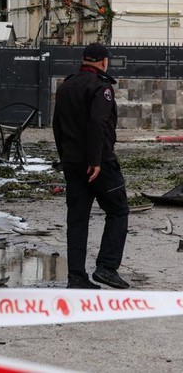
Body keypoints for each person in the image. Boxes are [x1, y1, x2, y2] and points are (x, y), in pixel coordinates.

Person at [52, 42, 130, 290]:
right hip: (100, 163)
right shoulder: (101, 87)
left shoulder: (66, 86)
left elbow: (57, 126)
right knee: (118, 211)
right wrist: (95, 160)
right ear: (104, 61)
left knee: (77, 219)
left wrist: (65, 157)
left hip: (72, 162)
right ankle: (106, 268)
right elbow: (97, 123)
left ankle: (76, 276)